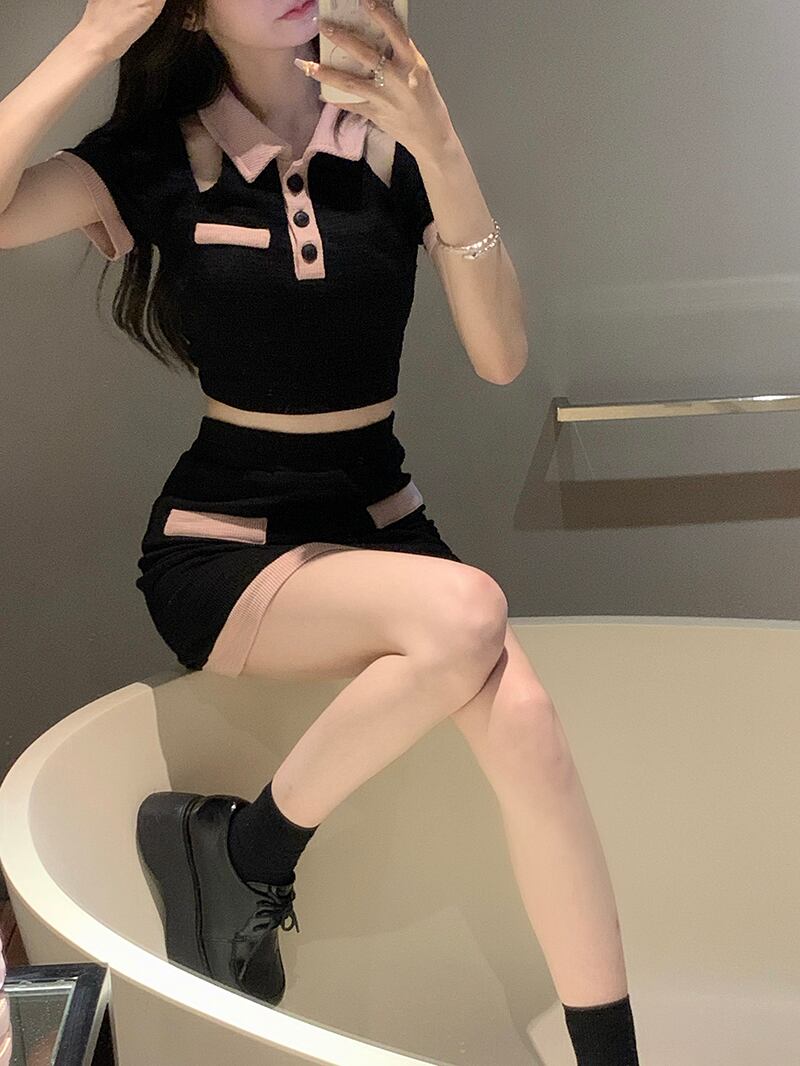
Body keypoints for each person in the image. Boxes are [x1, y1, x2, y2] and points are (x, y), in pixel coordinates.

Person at [0, 1, 641, 1062]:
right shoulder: (155, 157)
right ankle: (249, 853)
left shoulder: (392, 138)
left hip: (383, 524)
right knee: (469, 612)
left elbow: (499, 359)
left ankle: (246, 852)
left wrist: (440, 141)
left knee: (528, 726)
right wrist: (92, 39)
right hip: (223, 541)